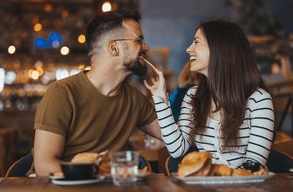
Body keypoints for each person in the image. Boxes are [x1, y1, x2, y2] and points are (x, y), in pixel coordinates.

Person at [32, 10, 162, 176]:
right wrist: (103, 174)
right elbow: (44, 167)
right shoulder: (63, 93)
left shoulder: (134, 98)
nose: (146, 47)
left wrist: (163, 97)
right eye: (139, 40)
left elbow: (173, 139)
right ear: (114, 47)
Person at [144, 19, 275, 170]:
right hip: (206, 189)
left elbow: (254, 166)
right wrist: (160, 98)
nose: (188, 49)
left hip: (245, 191)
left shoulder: (259, 100)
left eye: (196, 42)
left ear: (219, 49)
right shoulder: (193, 96)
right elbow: (176, 149)